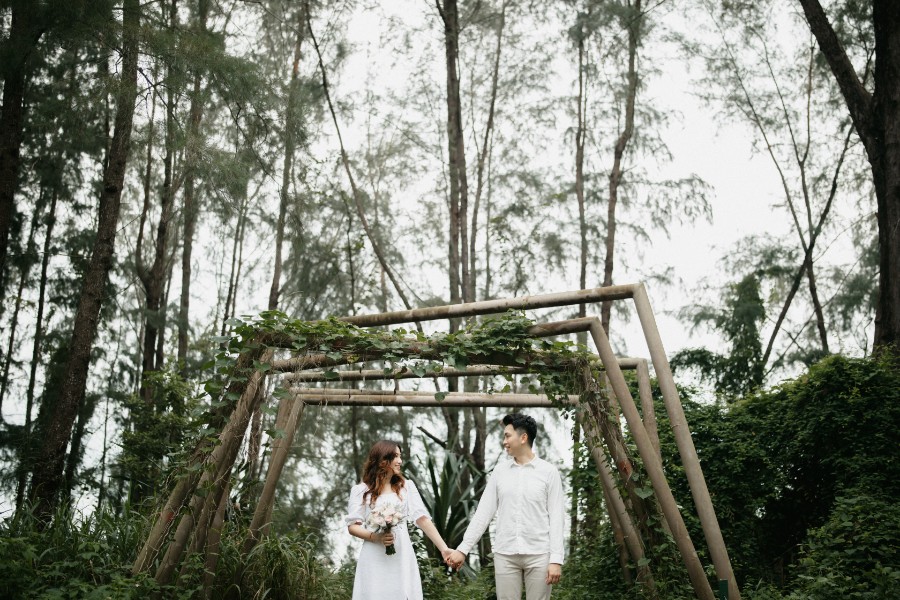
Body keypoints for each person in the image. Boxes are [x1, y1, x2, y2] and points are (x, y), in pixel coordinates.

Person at [447, 413, 565, 600]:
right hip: (505, 554)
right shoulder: (499, 472)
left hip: (539, 554)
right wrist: (463, 549)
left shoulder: (549, 472)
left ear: (523, 437)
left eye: (508, 435)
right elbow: (483, 513)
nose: (504, 441)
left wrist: (556, 560)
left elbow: (557, 517)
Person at [345, 440, 453, 600]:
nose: (400, 461)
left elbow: (422, 519)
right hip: (373, 556)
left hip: (401, 555)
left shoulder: (407, 487)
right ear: (382, 459)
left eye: (400, 456)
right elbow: (353, 526)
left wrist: (444, 549)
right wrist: (376, 537)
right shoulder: (361, 490)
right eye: (395, 456)